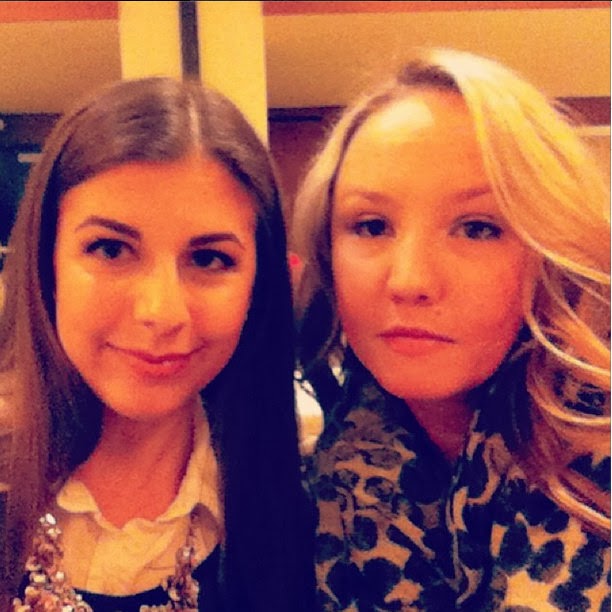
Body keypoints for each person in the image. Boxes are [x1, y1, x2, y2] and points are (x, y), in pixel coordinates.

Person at [292, 47, 610, 610]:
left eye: (477, 228)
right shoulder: (331, 484)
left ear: (550, 256)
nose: (409, 281)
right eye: (372, 226)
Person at [0, 75, 315, 611]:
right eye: (110, 249)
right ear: (46, 262)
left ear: (257, 287)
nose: (161, 312)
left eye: (209, 259)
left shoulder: (305, 498)